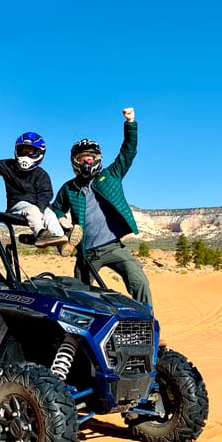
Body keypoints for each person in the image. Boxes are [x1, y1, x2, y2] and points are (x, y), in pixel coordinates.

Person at [50, 107, 153, 305]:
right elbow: (56, 208)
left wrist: (130, 123)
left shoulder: (111, 175)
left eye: (90, 158)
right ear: (75, 161)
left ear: (97, 159)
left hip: (113, 247)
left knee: (138, 280)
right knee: (80, 295)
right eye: (82, 158)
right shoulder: (68, 188)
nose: (87, 162)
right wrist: (63, 221)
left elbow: (128, 152)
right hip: (86, 252)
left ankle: (147, 322)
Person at [0, 126, 67, 248]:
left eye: (30, 151)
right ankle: (41, 235)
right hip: (16, 206)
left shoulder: (42, 175)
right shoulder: (9, 166)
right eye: (23, 150)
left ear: (39, 153)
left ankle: (59, 238)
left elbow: (45, 194)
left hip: (37, 207)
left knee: (49, 213)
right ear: (17, 150)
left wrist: (41, 209)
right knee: (32, 210)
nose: (26, 154)